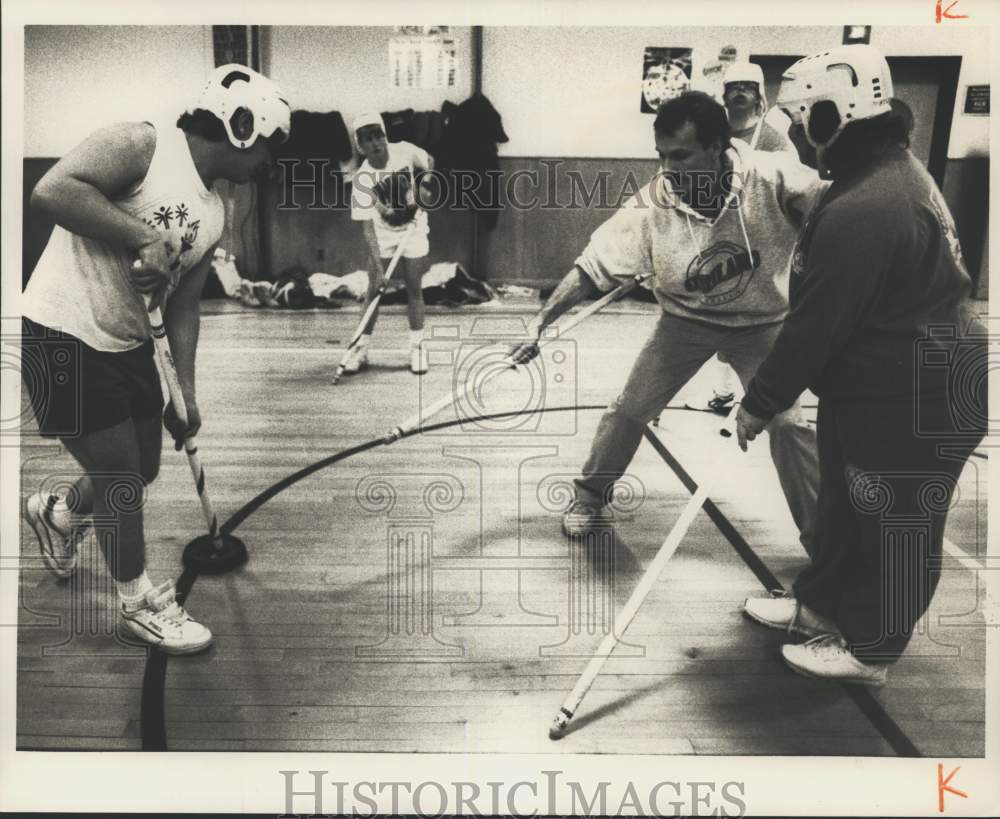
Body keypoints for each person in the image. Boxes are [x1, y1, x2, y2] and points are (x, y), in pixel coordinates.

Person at [737, 45, 986, 685]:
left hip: (924, 391)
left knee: (897, 524)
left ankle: (871, 650)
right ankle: (821, 607)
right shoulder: (877, 171)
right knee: (845, 511)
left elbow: (817, 324)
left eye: (803, 123)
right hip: (878, 381)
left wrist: (760, 401)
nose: (798, 137)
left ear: (833, 116)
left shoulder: (872, 203)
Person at [21, 64, 290, 654]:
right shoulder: (142, 145)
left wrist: (184, 392)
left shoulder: (215, 212)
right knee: (121, 481)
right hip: (63, 330)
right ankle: (138, 604)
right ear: (242, 126)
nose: (269, 163)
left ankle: (59, 514)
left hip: (129, 342)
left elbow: (186, 306)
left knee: (141, 466)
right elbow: (52, 191)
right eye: (269, 145)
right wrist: (141, 235)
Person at [511, 91, 825, 556]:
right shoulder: (654, 201)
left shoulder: (773, 177)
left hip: (763, 324)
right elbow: (593, 267)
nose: (667, 168)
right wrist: (541, 321)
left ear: (716, 147)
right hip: (685, 322)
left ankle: (824, 540)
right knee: (628, 410)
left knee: (789, 424)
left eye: (680, 155)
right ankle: (590, 495)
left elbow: (840, 208)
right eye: (661, 155)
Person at [682, 61, 797, 416]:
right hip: (719, 240)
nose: (740, 92)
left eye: (748, 86)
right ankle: (723, 393)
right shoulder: (713, 136)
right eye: (734, 87)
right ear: (725, 94)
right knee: (721, 317)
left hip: (765, 244)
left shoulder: (776, 139)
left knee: (760, 328)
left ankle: (765, 400)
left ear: (759, 93)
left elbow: (792, 188)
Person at [345, 112, 435, 376]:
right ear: (360, 146)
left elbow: (429, 161)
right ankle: (360, 348)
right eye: (368, 139)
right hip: (383, 235)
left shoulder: (405, 151)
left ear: (385, 136)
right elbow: (367, 228)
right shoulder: (362, 180)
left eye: (378, 136)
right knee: (374, 291)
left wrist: (425, 185)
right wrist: (378, 266)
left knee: (414, 289)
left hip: (413, 229)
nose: (375, 143)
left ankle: (417, 348)